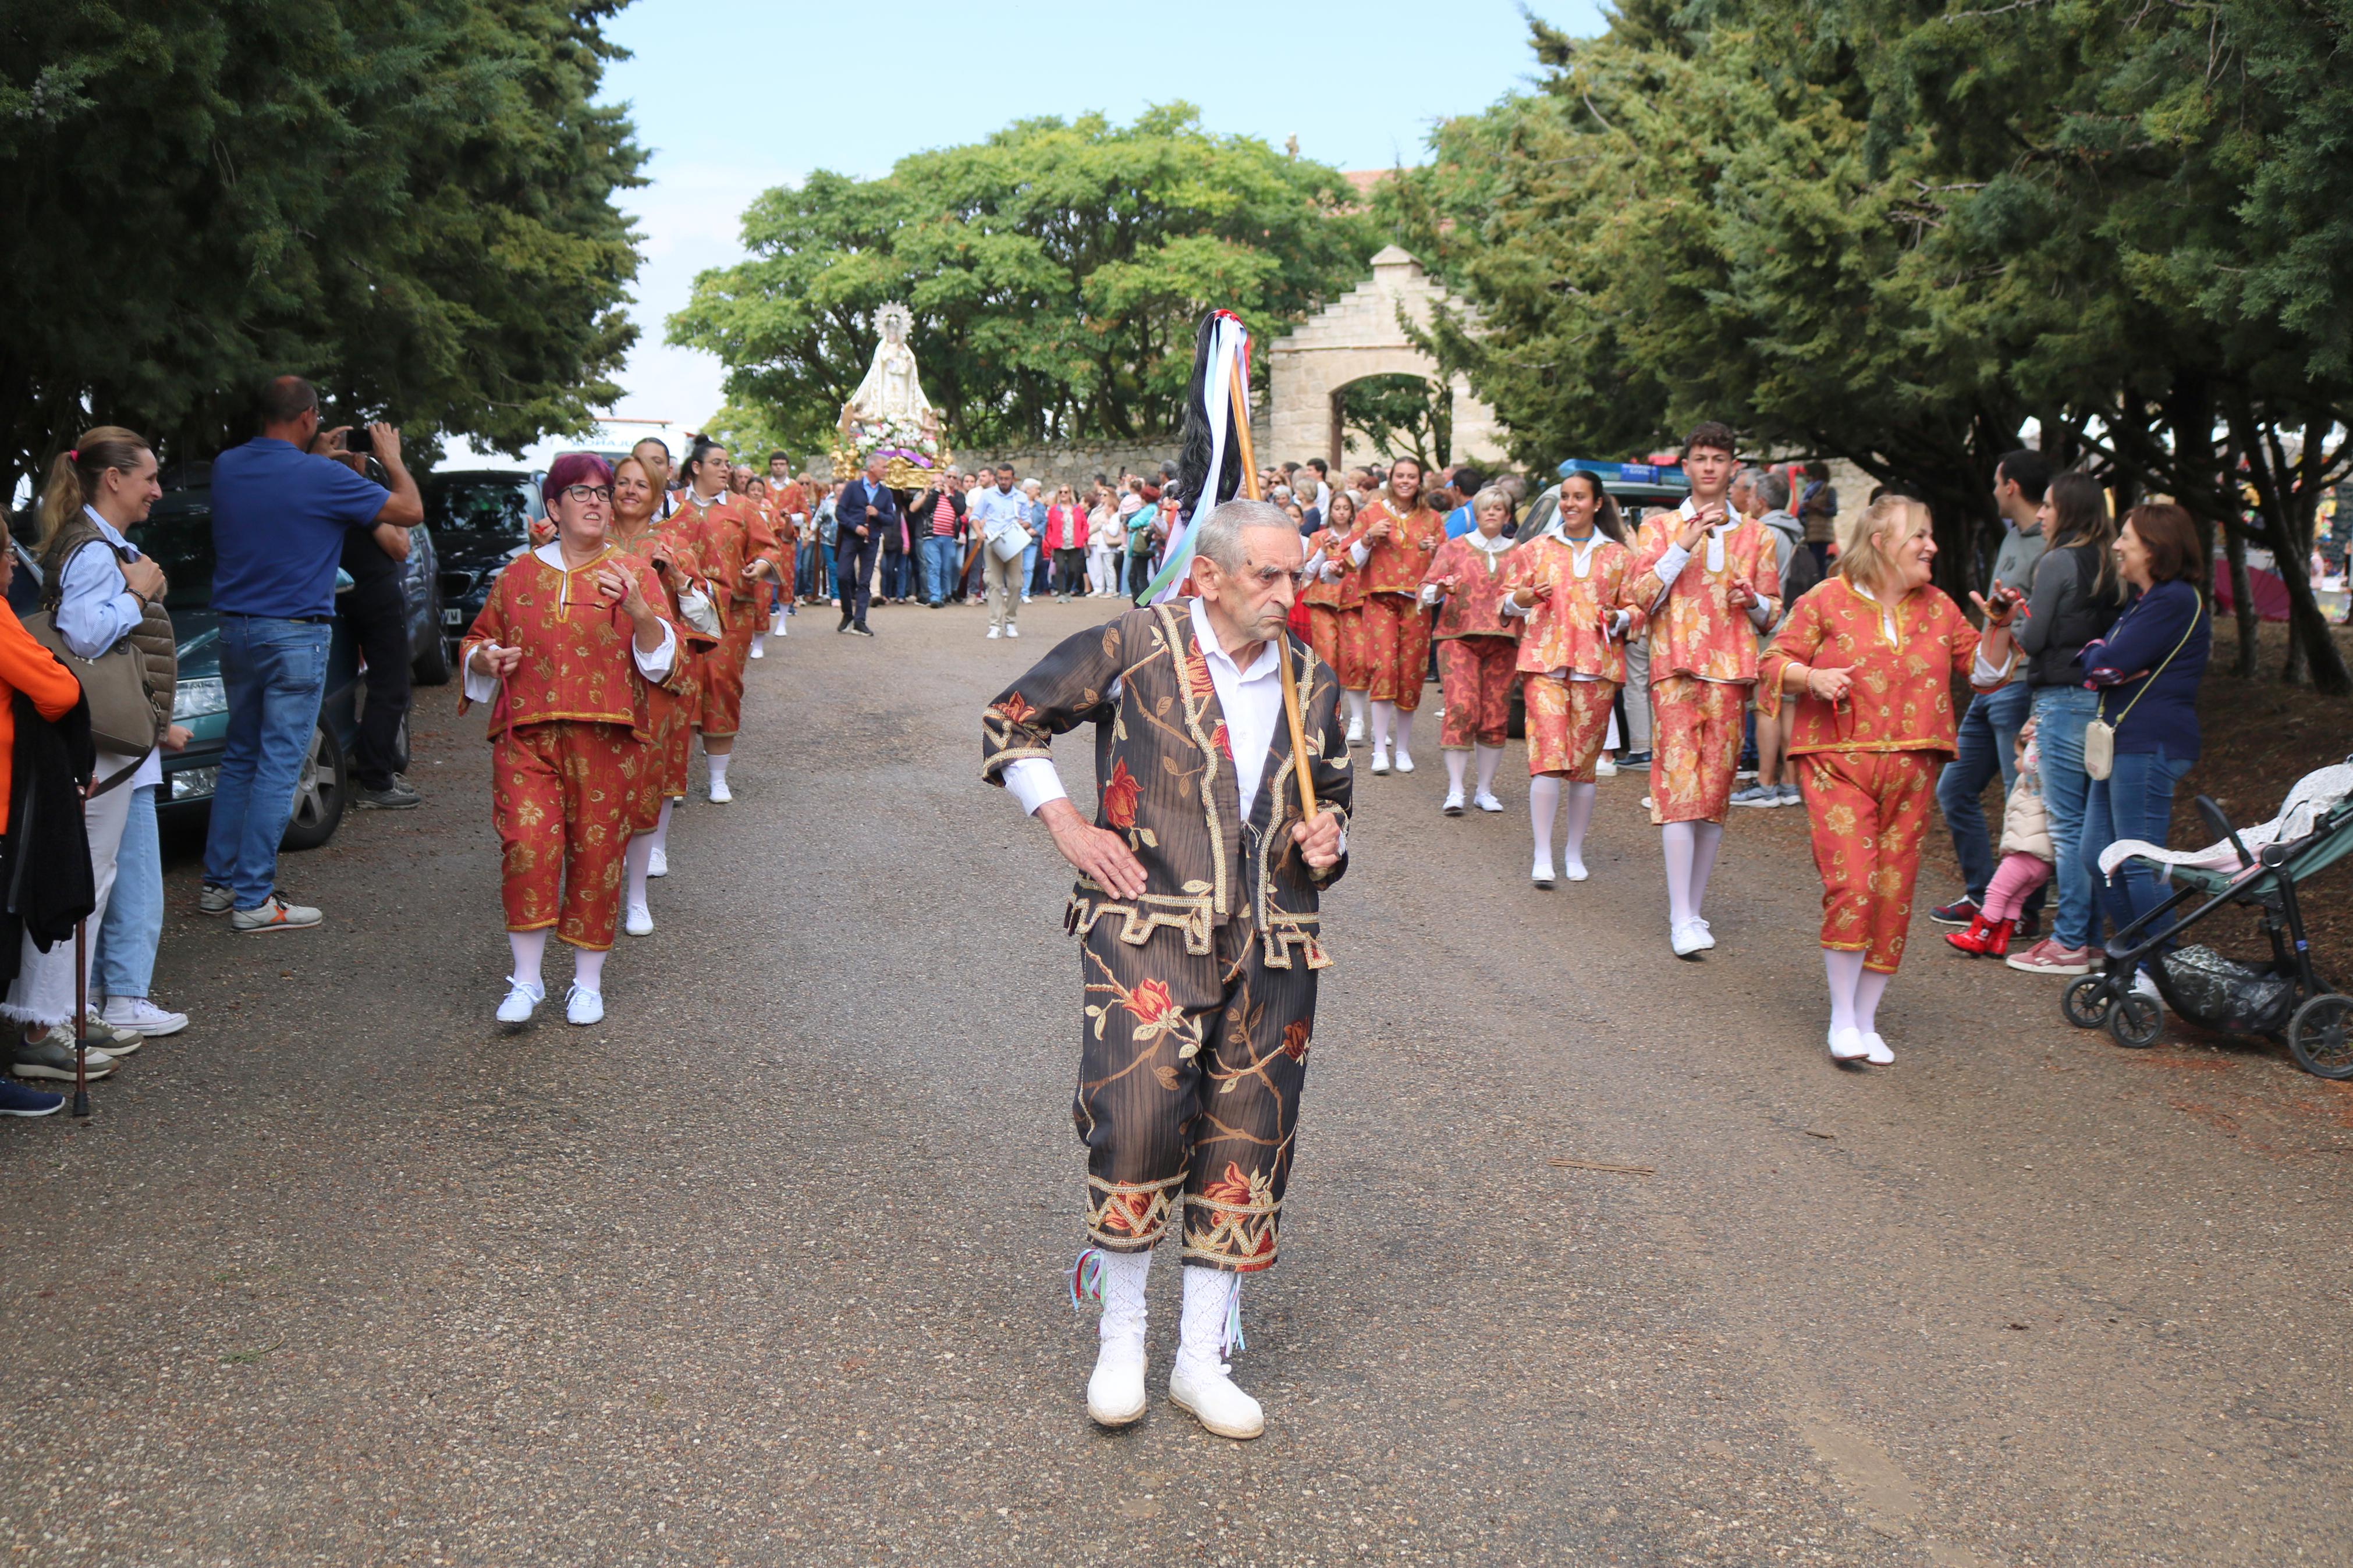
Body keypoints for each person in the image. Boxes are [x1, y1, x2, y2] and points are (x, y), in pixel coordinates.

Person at [981, 498, 1351, 1442]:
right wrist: (1067, 824)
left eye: (1293, 575)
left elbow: (1334, 805)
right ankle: (1120, 1345)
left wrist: (1327, 837)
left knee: (1246, 1142)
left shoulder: (1313, 680)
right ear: (1208, 576)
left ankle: (1197, 1362)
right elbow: (1012, 722)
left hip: (1274, 947)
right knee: (1139, 1123)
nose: (1285, 593)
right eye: (1266, 575)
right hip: (1147, 930)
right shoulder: (1135, 645)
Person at [1759, 495, 2008, 1064]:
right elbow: (1771, 662)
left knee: (1892, 893)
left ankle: (1866, 1020)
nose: (1931, 545)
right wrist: (1812, 677)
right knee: (1853, 882)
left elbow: (1988, 673)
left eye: (1928, 534)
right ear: (1880, 543)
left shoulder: (1939, 607)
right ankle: (1841, 1016)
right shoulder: (1826, 598)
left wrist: (1996, 627)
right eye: (1918, 535)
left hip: (1913, 769)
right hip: (1835, 760)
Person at [460, 454, 678, 1028]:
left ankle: (587, 984)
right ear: (553, 507)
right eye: (580, 492)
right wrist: (484, 657)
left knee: (597, 856)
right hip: (527, 736)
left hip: (607, 739)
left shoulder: (636, 572)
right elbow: (478, 641)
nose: (596, 502)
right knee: (527, 846)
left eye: (603, 493)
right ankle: (525, 981)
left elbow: (665, 664)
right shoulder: (516, 576)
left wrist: (637, 609)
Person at [204, 378, 421, 930]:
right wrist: (391, 458)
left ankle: (219, 884)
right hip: (295, 633)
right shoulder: (320, 476)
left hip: (234, 631)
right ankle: (255, 899)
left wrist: (314, 456)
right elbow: (410, 512)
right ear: (308, 417)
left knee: (240, 757)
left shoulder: (228, 466)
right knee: (280, 762)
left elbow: (277, 496)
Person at [7, 426, 178, 1079]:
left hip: (102, 735)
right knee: (79, 880)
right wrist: (137, 592)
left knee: (90, 879)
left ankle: (63, 1011)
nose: (157, 489)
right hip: (95, 738)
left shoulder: (96, 545)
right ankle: (46, 1023)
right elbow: (82, 632)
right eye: (148, 478)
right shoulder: (94, 553)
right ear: (113, 479)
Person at [1628, 422, 1781, 957]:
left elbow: (1771, 613)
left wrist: (1751, 600)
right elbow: (1640, 595)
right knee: (1676, 790)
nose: (1710, 467)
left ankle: (1694, 908)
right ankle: (1679, 915)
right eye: (1700, 458)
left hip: (1731, 670)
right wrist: (1684, 542)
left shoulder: (1758, 535)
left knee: (1713, 797)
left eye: (1719, 458)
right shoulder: (1659, 527)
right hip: (1674, 668)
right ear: (1686, 466)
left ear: (1732, 467)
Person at [2074, 503, 2211, 1007]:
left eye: (2125, 538)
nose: (2115, 546)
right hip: (2122, 740)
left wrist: (2099, 657)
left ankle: (2157, 965)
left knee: (2135, 859)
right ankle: (2136, 951)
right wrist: (2101, 659)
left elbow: (2105, 663)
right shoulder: (2146, 601)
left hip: (2149, 742)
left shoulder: (2172, 599)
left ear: (2154, 548)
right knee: (2096, 855)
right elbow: (2104, 665)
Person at [1998, 471, 2130, 977]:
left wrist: (2011, 615)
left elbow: (2032, 640)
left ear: (2068, 511)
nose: (2044, 513)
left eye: (2050, 505)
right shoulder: (2111, 562)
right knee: (2091, 823)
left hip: (2059, 696)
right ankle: (2092, 940)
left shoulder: (2057, 561)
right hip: (2100, 700)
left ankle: (2071, 939)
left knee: (2066, 823)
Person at [1929, 449, 2053, 923]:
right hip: (1990, 685)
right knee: (1953, 788)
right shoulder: (2012, 538)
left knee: (2018, 801)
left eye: (1996, 481)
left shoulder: (2045, 545)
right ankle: (1983, 892)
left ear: (2012, 487)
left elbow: (2038, 621)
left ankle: (2019, 911)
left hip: (2018, 686)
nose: (1993, 490)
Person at [1503, 471, 1641, 887]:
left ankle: (1573, 851)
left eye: (1578, 497)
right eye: (1564, 496)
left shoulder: (1619, 557)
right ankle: (1542, 854)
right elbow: (1506, 600)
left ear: (1596, 503)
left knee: (1582, 767)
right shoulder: (1535, 549)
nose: (1569, 503)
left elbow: (1636, 608)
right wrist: (1523, 598)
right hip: (1544, 663)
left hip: (1595, 666)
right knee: (1547, 758)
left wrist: (1620, 616)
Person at [605, 453, 705, 927]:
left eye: (640, 485)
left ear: (658, 493)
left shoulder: (673, 545)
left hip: (655, 676)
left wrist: (682, 582)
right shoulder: (583, 543)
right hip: (596, 676)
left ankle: (638, 895)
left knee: (650, 775)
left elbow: (706, 619)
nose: (629, 491)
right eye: (621, 482)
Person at [313, 425, 424, 811]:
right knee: (391, 687)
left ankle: (372, 765)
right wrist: (390, 462)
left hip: (343, 596)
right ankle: (376, 779)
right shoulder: (350, 488)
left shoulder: (316, 484)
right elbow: (400, 544)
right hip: (374, 595)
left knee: (366, 685)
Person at [670, 438, 764, 801]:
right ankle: (674, 780)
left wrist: (762, 565)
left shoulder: (744, 508)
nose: (726, 469)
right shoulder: (671, 506)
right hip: (678, 614)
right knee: (679, 691)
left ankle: (717, 778)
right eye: (718, 463)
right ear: (696, 468)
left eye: (728, 463)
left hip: (731, 616)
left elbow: (766, 547)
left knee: (721, 688)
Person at [1419, 486, 1521, 815]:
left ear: (1507, 515)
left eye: (1499, 508)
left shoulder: (1519, 551)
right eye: (1486, 508)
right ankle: (1455, 789)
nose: (1492, 513)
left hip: (1504, 640)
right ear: (1476, 513)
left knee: (1495, 714)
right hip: (1456, 636)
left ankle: (1485, 790)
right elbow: (1424, 592)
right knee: (1461, 706)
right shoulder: (1455, 547)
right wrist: (1439, 588)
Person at [1353, 456, 1445, 774]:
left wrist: (1435, 552)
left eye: (1412, 476)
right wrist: (1368, 536)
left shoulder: (1432, 518)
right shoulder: (1371, 513)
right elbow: (1352, 559)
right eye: (1401, 476)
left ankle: (1402, 748)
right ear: (1391, 479)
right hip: (1380, 597)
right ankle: (1380, 748)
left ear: (1420, 481)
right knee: (1383, 667)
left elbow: (1446, 568)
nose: (1406, 481)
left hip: (1416, 602)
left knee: (1411, 672)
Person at [1732, 470, 1807, 809]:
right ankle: (1791, 783)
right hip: (1793, 626)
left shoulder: (1766, 534)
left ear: (1760, 501)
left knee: (1766, 707)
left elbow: (1759, 586)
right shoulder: (1792, 530)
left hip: (1769, 629)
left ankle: (1765, 782)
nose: (1745, 500)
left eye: (1749, 495)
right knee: (1788, 707)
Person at [1946, 720, 2050, 959]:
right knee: (2015, 899)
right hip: (2042, 862)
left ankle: (1977, 935)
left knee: (1996, 893)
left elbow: (2033, 759)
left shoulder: (2034, 782)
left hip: (2025, 853)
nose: (2014, 763)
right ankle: (1999, 941)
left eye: (2017, 757)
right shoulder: (2051, 789)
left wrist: (2035, 740)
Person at [1301, 490, 1371, 747]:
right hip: (1323, 601)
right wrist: (1322, 553)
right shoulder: (1319, 536)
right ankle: (1332, 717)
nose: (1341, 512)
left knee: (1358, 658)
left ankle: (1358, 719)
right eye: (1337, 508)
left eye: (1346, 508)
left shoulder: (1359, 538)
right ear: (1331, 511)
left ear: (1352, 512)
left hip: (1354, 601)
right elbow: (1308, 570)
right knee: (1328, 659)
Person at [834, 453, 895, 637]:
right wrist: (855, 527)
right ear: (872, 468)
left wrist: (877, 514)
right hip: (851, 538)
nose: (886, 470)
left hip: (872, 540)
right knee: (843, 576)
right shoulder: (853, 487)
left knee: (865, 581)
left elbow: (891, 519)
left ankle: (860, 621)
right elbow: (840, 512)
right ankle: (847, 614)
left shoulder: (886, 493)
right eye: (884, 467)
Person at [970, 465, 1032, 639]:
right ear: (996, 478)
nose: (1004, 482)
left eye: (1007, 478)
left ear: (1013, 478)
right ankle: (995, 625)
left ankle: (1011, 622)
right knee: (994, 584)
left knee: (1016, 584)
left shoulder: (1020, 497)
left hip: (1013, 542)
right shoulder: (988, 494)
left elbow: (1028, 520)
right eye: (1001, 478)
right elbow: (975, 516)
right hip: (992, 542)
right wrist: (979, 533)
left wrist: (1020, 526)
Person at [908, 471, 967, 609]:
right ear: (944, 479)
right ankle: (935, 597)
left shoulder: (958, 495)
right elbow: (927, 508)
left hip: (950, 537)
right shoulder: (933, 493)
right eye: (949, 477)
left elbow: (961, 509)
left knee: (946, 568)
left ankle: (943, 594)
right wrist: (936, 491)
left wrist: (948, 495)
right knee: (934, 566)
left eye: (954, 477)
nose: (951, 480)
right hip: (932, 536)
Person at [1046, 485, 1088, 602]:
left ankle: (1068, 591)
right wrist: (1050, 540)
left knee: (1072, 570)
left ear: (1070, 494)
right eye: (1061, 492)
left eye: (1066, 492)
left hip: (1075, 543)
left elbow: (1085, 524)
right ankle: (1060, 593)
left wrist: (1084, 537)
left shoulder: (1077, 509)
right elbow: (1049, 527)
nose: (1063, 494)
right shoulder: (1054, 509)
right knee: (1059, 567)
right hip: (1058, 543)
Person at [1087, 487, 1123, 598]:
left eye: (1105, 495)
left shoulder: (1111, 510)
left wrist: (1088, 532)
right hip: (1095, 540)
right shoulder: (1098, 508)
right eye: (1101, 495)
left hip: (1103, 541)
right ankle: (1100, 588)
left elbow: (1102, 524)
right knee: (1096, 566)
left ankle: (1107, 589)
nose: (1101, 497)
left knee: (1106, 567)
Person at [1021, 477, 1048, 602]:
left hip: (1033, 540)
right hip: (1018, 539)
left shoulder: (1040, 506)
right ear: (1029, 489)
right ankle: (1015, 592)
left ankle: (1025, 593)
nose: (1038, 491)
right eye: (1037, 489)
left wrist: (1036, 530)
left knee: (1029, 567)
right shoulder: (1019, 503)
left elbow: (1044, 521)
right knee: (1016, 567)